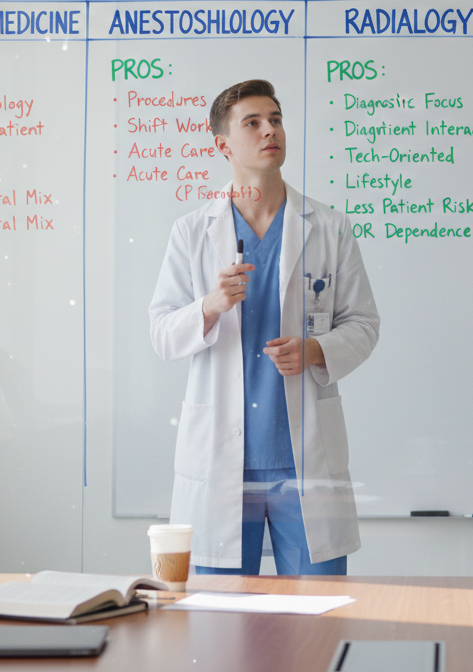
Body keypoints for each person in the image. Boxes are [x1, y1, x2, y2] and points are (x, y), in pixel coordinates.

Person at [148, 79, 380, 575]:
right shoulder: (192, 231)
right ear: (223, 145)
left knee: (321, 616)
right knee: (222, 629)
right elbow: (163, 333)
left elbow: (363, 324)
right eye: (252, 122)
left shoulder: (330, 226)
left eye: (274, 119)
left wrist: (316, 350)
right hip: (221, 459)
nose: (269, 129)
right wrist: (208, 306)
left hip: (304, 462)